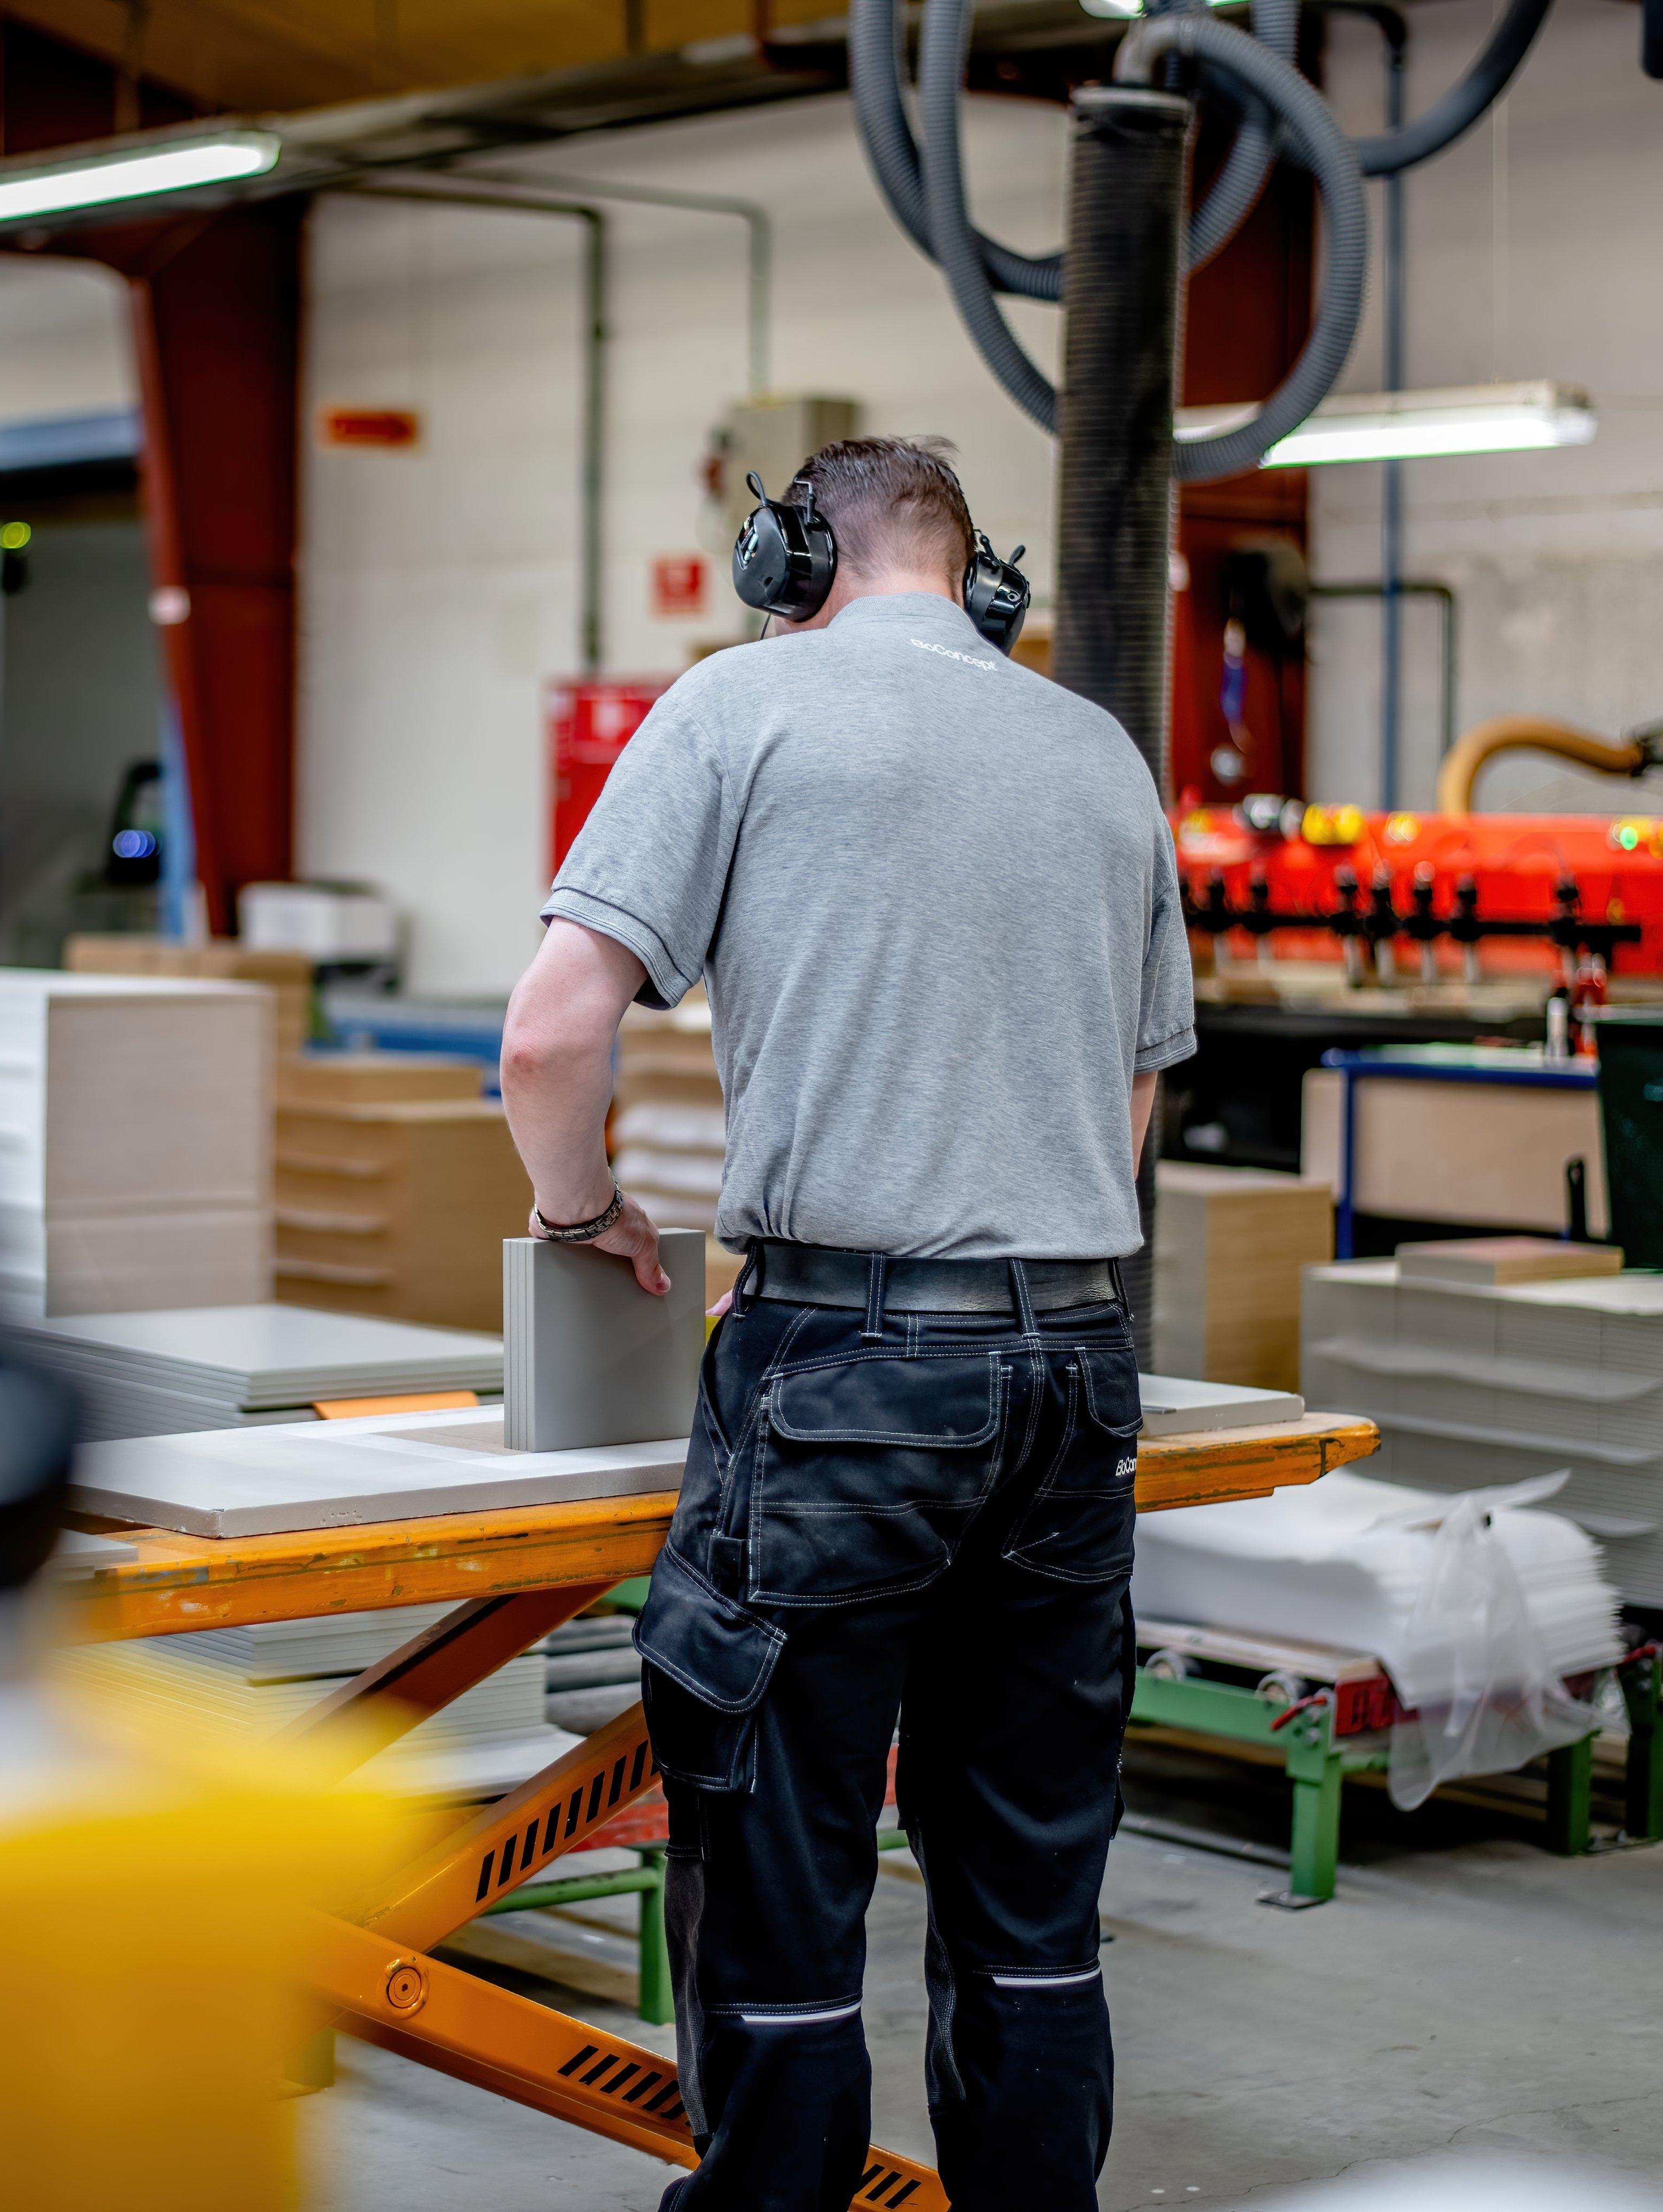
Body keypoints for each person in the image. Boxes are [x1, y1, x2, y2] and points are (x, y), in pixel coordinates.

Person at [498, 435, 1193, 2211]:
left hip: (844, 1371)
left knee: (782, 1853)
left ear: (791, 553)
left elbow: (551, 1034)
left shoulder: (743, 705)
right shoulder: (1102, 754)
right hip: (1068, 1368)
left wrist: (580, 1210)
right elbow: (1126, 1107)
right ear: (979, 573)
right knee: (1034, 1884)